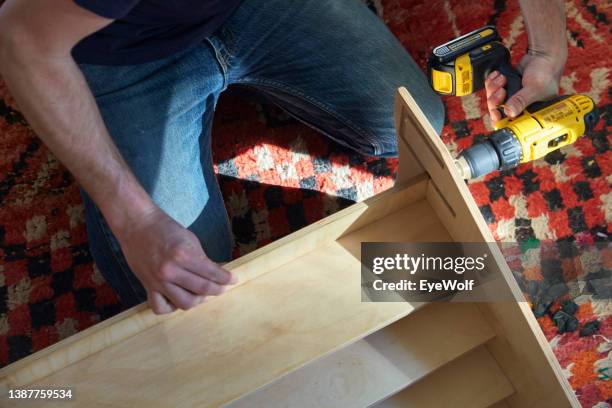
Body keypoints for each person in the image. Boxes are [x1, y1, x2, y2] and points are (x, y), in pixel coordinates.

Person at [0, 0, 567, 314]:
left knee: (408, 120)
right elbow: (19, 40)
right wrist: (136, 219)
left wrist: (546, 49)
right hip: (115, 52)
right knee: (188, 284)